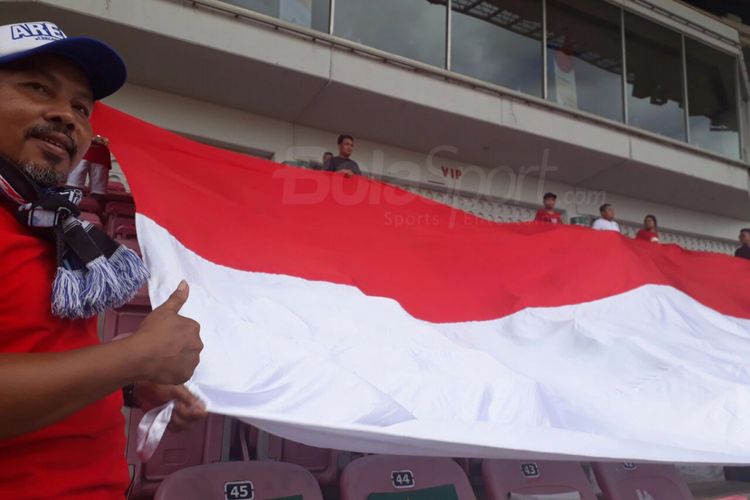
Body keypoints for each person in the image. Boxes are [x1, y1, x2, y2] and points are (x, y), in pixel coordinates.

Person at [0, 21, 205, 498]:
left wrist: (131, 384)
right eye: (37, 87)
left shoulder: (47, 222)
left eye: (81, 107)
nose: (67, 116)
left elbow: (42, 360)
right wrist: (133, 357)